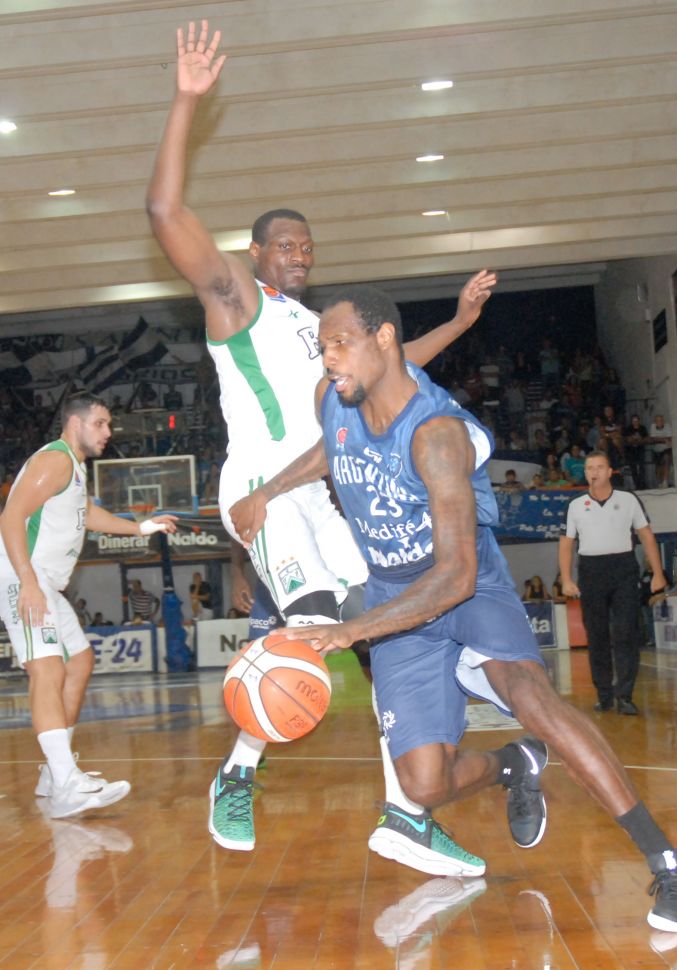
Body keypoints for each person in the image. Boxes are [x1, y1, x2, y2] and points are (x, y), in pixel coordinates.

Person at [235, 285, 677, 934]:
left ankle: (671, 865)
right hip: (394, 595)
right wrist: (269, 491)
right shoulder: (334, 399)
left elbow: (454, 577)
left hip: (466, 585)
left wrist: (352, 630)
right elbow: (330, 449)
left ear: (384, 339)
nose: (328, 359)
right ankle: (514, 765)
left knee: (531, 697)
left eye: (339, 343)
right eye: (323, 348)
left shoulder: (436, 436)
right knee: (424, 786)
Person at [147, 19, 498, 857]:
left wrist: (457, 322)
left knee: (385, 631)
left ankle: (407, 814)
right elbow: (164, 211)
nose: (298, 252)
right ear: (255, 253)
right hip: (264, 491)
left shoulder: (320, 327)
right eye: (283, 243)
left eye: (306, 244)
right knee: (309, 625)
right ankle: (237, 774)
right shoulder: (236, 299)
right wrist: (185, 101)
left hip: (325, 491)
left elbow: (392, 363)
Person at [0, 392, 177, 819]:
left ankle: (54, 772)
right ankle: (65, 783)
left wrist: (141, 528)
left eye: (108, 424)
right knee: (47, 670)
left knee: (79, 660)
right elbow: (10, 517)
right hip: (22, 576)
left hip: (44, 581)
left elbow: (88, 516)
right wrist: (28, 582)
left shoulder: (75, 469)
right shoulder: (55, 460)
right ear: (74, 423)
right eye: (100, 423)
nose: (108, 432)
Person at [558, 452, 668, 716]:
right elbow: (566, 544)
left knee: (625, 633)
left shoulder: (628, 499)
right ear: (585, 473)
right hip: (591, 571)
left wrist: (658, 572)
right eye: (589, 468)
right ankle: (604, 694)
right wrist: (567, 579)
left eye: (599, 467)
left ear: (610, 472)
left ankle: (625, 695)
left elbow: (646, 536)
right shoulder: (575, 504)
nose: (594, 472)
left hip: (623, 569)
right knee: (596, 635)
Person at [624, 414, 647, 490]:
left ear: (639, 421)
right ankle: (636, 484)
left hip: (640, 449)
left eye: (636, 421)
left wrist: (639, 439)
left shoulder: (643, 428)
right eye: (634, 421)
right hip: (631, 450)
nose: (635, 422)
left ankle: (642, 484)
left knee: (641, 467)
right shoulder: (628, 429)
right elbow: (627, 439)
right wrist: (634, 439)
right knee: (633, 468)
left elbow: (645, 438)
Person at [649, 414, 673, 488]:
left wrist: (660, 439)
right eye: (658, 421)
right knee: (658, 468)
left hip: (666, 449)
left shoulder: (667, 426)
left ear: (663, 421)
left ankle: (665, 482)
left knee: (667, 462)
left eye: (661, 420)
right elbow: (653, 439)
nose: (660, 422)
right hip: (656, 450)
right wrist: (664, 439)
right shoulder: (652, 427)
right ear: (655, 422)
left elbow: (669, 438)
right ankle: (660, 483)